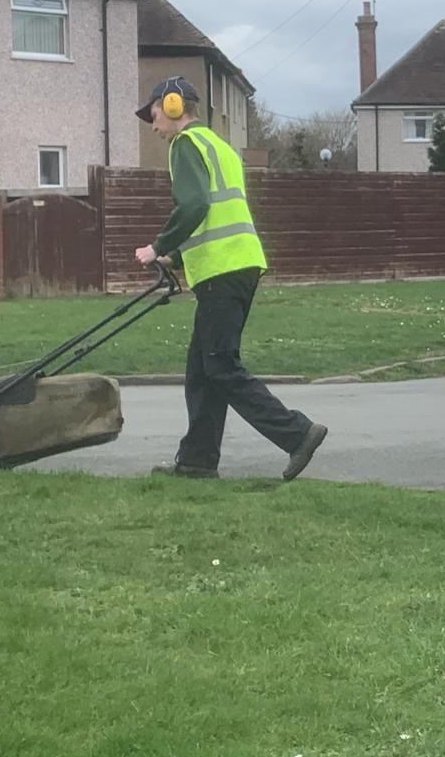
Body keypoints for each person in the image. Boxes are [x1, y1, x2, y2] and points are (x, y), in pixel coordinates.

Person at [134, 76, 327, 480]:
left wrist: (157, 246)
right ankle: (196, 462)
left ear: (171, 106)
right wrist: (179, 256)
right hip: (237, 265)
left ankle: (297, 433)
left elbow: (196, 203)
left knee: (220, 365)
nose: (153, 126)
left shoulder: (184, 145)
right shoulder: (220, 147)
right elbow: (218, 214)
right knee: (201, 369)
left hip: (224, 269)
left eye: (153, 115)